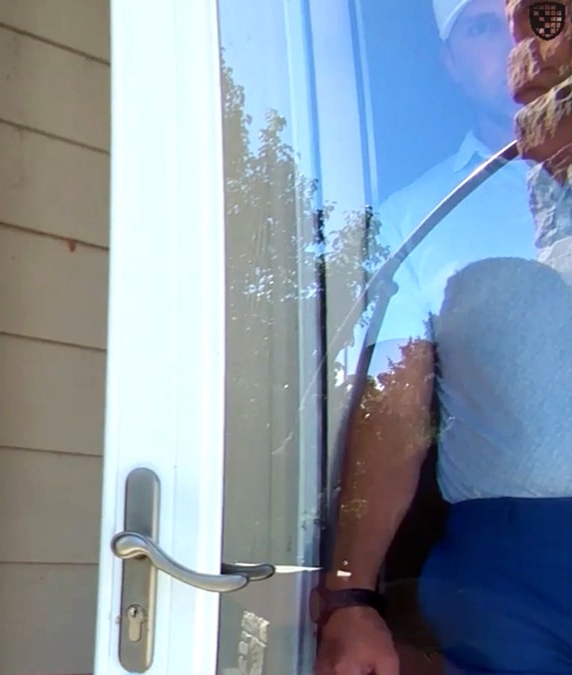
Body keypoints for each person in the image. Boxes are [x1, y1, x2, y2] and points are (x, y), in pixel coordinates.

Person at [315, 0, 572, 672]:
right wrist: (350, 594)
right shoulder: (417, 218)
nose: (514, 38)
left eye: (533, 18)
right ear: (450, 62)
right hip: (509, 573)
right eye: (481, 26)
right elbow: (396, 414)